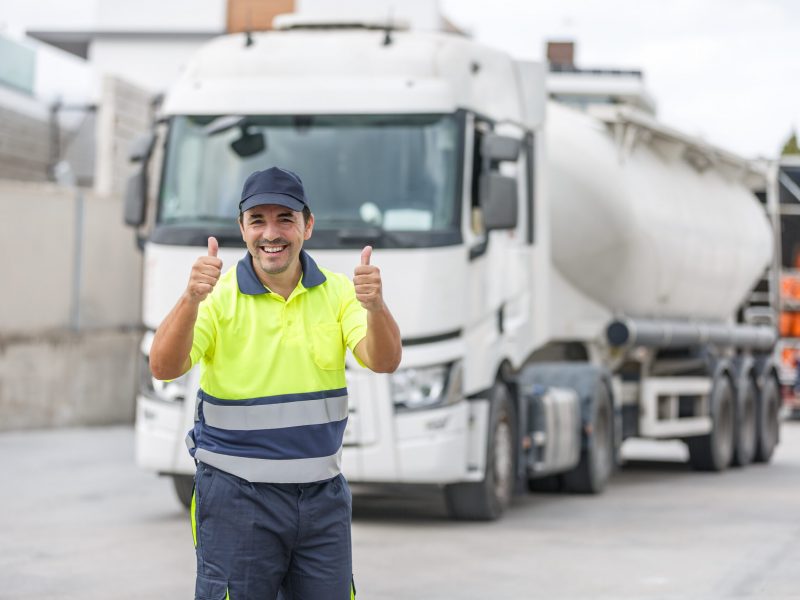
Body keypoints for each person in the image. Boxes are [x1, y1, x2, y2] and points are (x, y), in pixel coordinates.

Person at [149, 166, 402, 600]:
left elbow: (384, 360)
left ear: (307, 225)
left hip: (322, 500)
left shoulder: (340, 293)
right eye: (258, 220)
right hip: (236, 500)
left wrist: (375, 306)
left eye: (285, 218)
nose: (272, 233)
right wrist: (190, 299)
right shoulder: (216, 298)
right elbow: (164, 367)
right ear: (242, 229)